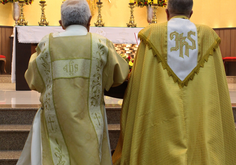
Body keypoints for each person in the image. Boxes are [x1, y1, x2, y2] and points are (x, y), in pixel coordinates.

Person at [112, 0, 236, 164]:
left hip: (159, 120)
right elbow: (216, 88)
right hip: (198, 114)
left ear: (167, 12)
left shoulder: (151, 35)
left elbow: (138, 85)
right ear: (191, 13)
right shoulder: (208, 36)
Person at [16, 0, 129, 164]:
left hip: (55, 120)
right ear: (89, 20)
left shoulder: (47, 45)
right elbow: (119, 76)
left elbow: (34, 80)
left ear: (61, 23)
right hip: (89, 120)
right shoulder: (100, 45)